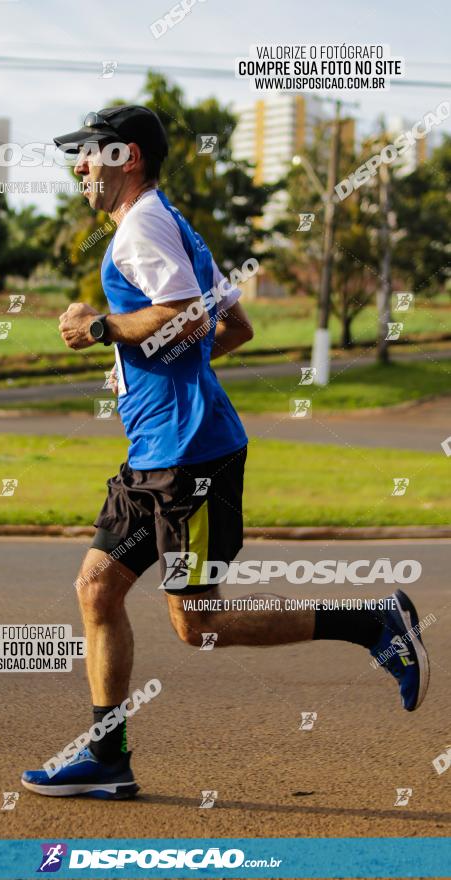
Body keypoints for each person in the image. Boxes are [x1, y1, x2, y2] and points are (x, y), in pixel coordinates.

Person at [21, 105, 429, 800]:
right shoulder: (169, 224)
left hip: (191, 460)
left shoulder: (143, 225)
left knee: (198, 624)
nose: (79, 166)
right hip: (157, 451)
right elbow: (228, 325)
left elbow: (188, 316)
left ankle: (374, 624)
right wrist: (168, 370)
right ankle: (106, 756)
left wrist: (102, 327)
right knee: (97, 586)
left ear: (127, 157)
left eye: (89, 153)